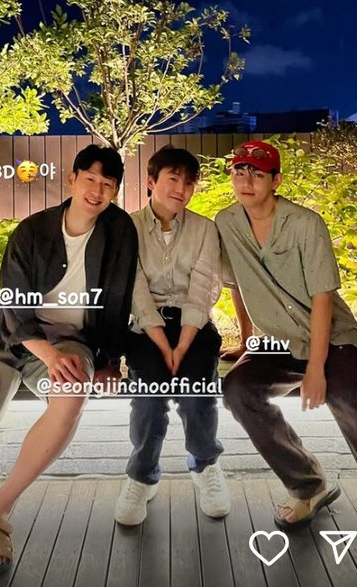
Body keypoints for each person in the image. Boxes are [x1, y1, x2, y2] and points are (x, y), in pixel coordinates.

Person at [0, 145, 138, 580]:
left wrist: (110, 361)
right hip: (8, 338)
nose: (97, 191)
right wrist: (46, 353)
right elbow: (13, 303)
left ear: (115, 191)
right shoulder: (33, 230)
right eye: (90, 179)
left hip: (73, 341)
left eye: (107, 184)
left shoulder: (119, 230)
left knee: (72, 391)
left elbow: (117, 300)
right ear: (72, 179)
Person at [215, 140, 357, 534]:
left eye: (257, 173)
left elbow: (322, 299)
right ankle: (308, 486)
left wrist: (317, 368)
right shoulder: (227, 222)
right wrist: (247, 340)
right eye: (239, 171)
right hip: (278, 341)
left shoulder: (305, 224)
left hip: (333, 339)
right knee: (238, 390)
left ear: (276, 180)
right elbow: (236, 283)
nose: (246, 180)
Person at [114, 145, 230, 527]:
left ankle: (205, 465)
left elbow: (202, 288)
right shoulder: (128, 227)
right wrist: (163, 343)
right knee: (149, 401)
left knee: (197, 397)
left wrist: (182, 343)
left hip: (193, 327)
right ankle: (141, 476)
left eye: (189, 183)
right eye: (173, 179)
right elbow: (134, 289)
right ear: (151, 181)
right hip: (146, 328)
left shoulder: (204, 229)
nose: (181, 189)